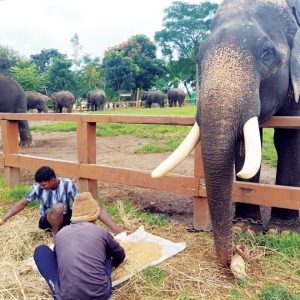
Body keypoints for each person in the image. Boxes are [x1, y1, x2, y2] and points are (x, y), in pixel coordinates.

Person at [34, 192, 125, 300]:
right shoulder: (101, 232)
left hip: (65, 297)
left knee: (41, 251)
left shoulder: (61, 234)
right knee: (107, 251)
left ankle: (57, 290)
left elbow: (58, 259)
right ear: (95, 216)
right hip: (100, 295)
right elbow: (120, 254)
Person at [0, 166, 123, 235]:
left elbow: (80, 202)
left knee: (93, 204)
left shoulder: (68, 184)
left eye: (44, 185)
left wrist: (90, 210)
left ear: (52, 180)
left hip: (67, 219)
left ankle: (119, 232)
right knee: (58, 207)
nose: (41, 187)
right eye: (40, 185)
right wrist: (3, 219)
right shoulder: (37, 187)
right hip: (47, 222)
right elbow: (22, 203)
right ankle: (57, 239)